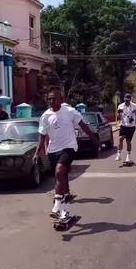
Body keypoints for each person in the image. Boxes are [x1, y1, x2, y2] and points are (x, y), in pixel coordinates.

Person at [35, 88, 98, 220]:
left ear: (61, 99)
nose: (52, 101)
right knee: (59, 178)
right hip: (53, 150)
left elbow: (83, 125)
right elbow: (42, 136)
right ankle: (63, 210)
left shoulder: (70, 111)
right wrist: (37, 153)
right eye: (49, 99)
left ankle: (57, 205)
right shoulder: (45, 116)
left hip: (69, 147)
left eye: (54, 98)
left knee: (59, 171)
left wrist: (93, 138)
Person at [116, 93, 136, 164]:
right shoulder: (121, 106)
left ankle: (128, 157)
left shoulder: (134, 105)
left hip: (131, 126)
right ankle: (118, 155)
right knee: (120, 138)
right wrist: (119, 114)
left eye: (128, 101)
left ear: (130, 100)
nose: (127, 102)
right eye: (125, 101)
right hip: (123, 125)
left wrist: (135, 111)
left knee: (128, 141)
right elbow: (118, 116)